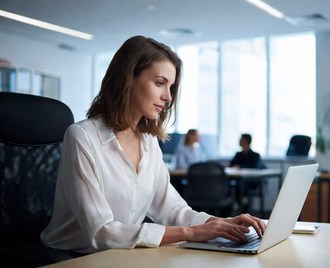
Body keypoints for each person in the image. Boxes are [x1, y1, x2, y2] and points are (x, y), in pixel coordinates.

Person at [40, 35, 265, 255]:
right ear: (128, 78)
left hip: (122, 254)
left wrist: (221, 223)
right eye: (160, 83)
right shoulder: (82, 136)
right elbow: (102, 232)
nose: (168, 97)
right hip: (71, 256)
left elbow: (171, 208)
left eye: (171, 87)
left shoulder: (148, 141)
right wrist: (193, 232)